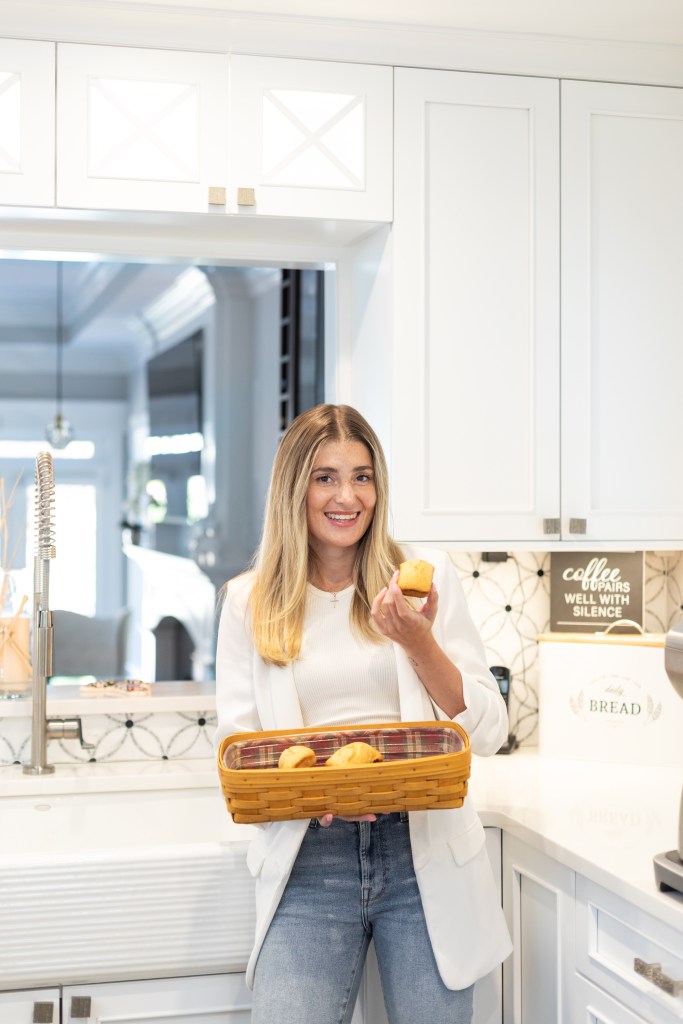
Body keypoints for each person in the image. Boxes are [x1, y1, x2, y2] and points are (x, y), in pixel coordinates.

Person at [214, 403, 512, 1024]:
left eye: (363, 476)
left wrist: (419, 639)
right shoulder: (249, 603)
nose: (348, 496)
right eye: (325, 477)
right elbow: (244, 750)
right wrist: (320, 791)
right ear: (294, 488)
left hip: (421, 852)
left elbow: (488, 731)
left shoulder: (421, 584)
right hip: (309, 860)